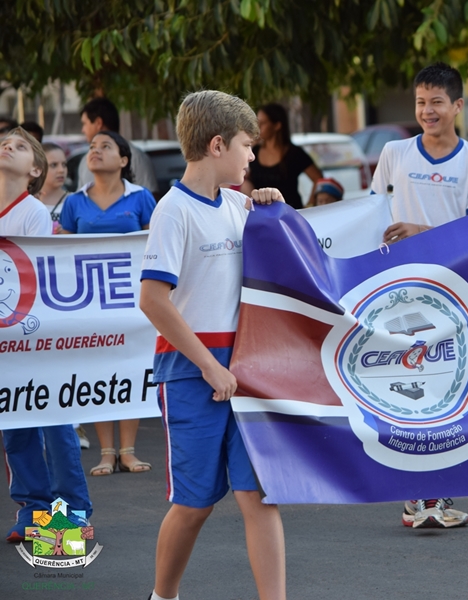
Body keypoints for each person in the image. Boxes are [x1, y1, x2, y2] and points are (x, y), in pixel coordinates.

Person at [139, 90, 287, 600]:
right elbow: (153, 300)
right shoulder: (172, 211)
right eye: (248, 146)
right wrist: (208, 367)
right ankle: (163, 596)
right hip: (189, 370)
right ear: (218, 143)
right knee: (194, 503)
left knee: (258, 496)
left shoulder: (240, 204)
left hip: (245, 367)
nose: (253, 156)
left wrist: (270, 206)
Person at [371, 62, 468, 528]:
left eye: (437, 102)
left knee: (445, 389)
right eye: (421, 102)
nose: (427, 111)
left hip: (451, 295)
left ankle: (433, 496)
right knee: (402, 389)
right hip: (396, 294)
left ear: (457, 106)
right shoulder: (395, 152)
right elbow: (370, 212)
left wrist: (421, 230)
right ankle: (414, 494)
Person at [1, 128, 93, 543]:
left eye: (20, 147)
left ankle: (72, 511)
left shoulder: (33, 212)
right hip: (7, 344)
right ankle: (34, 509)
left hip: (36, 337)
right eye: (5, 143)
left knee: (55, 424)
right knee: (16, 426)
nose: (8, 147)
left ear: (34, 170)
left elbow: (30, 276)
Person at [59, 130, 157, 474]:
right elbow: (59, 256)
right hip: (89, 304)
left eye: (105, 146)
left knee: (130, 367)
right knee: (98, 369)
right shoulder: (73, 202)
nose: (95, 151)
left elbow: (157, 247)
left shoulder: (142, 198)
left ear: (124, 160)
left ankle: (128, 451)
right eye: (91, 147)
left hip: (133, 301)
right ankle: (106, 451)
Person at [241, 103, 323, 209]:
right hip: (263, 215)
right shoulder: (255, 152)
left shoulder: (294, 153)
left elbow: (318, 178)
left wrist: (310, 205)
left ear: (277, 125)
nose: (258, 127)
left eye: (263, 123)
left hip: (290, 212)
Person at [78, 97, 157, 193]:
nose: (83, 130)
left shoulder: (136, 158)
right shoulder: (86, 160)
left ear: (123, 161)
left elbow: (151, 201)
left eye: (84, 124)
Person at [36, 142, 69, 234]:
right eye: (54, 165)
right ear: (37, 168)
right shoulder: (28, 201)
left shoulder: (75, 201)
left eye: (64, 164)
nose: (61, 170)